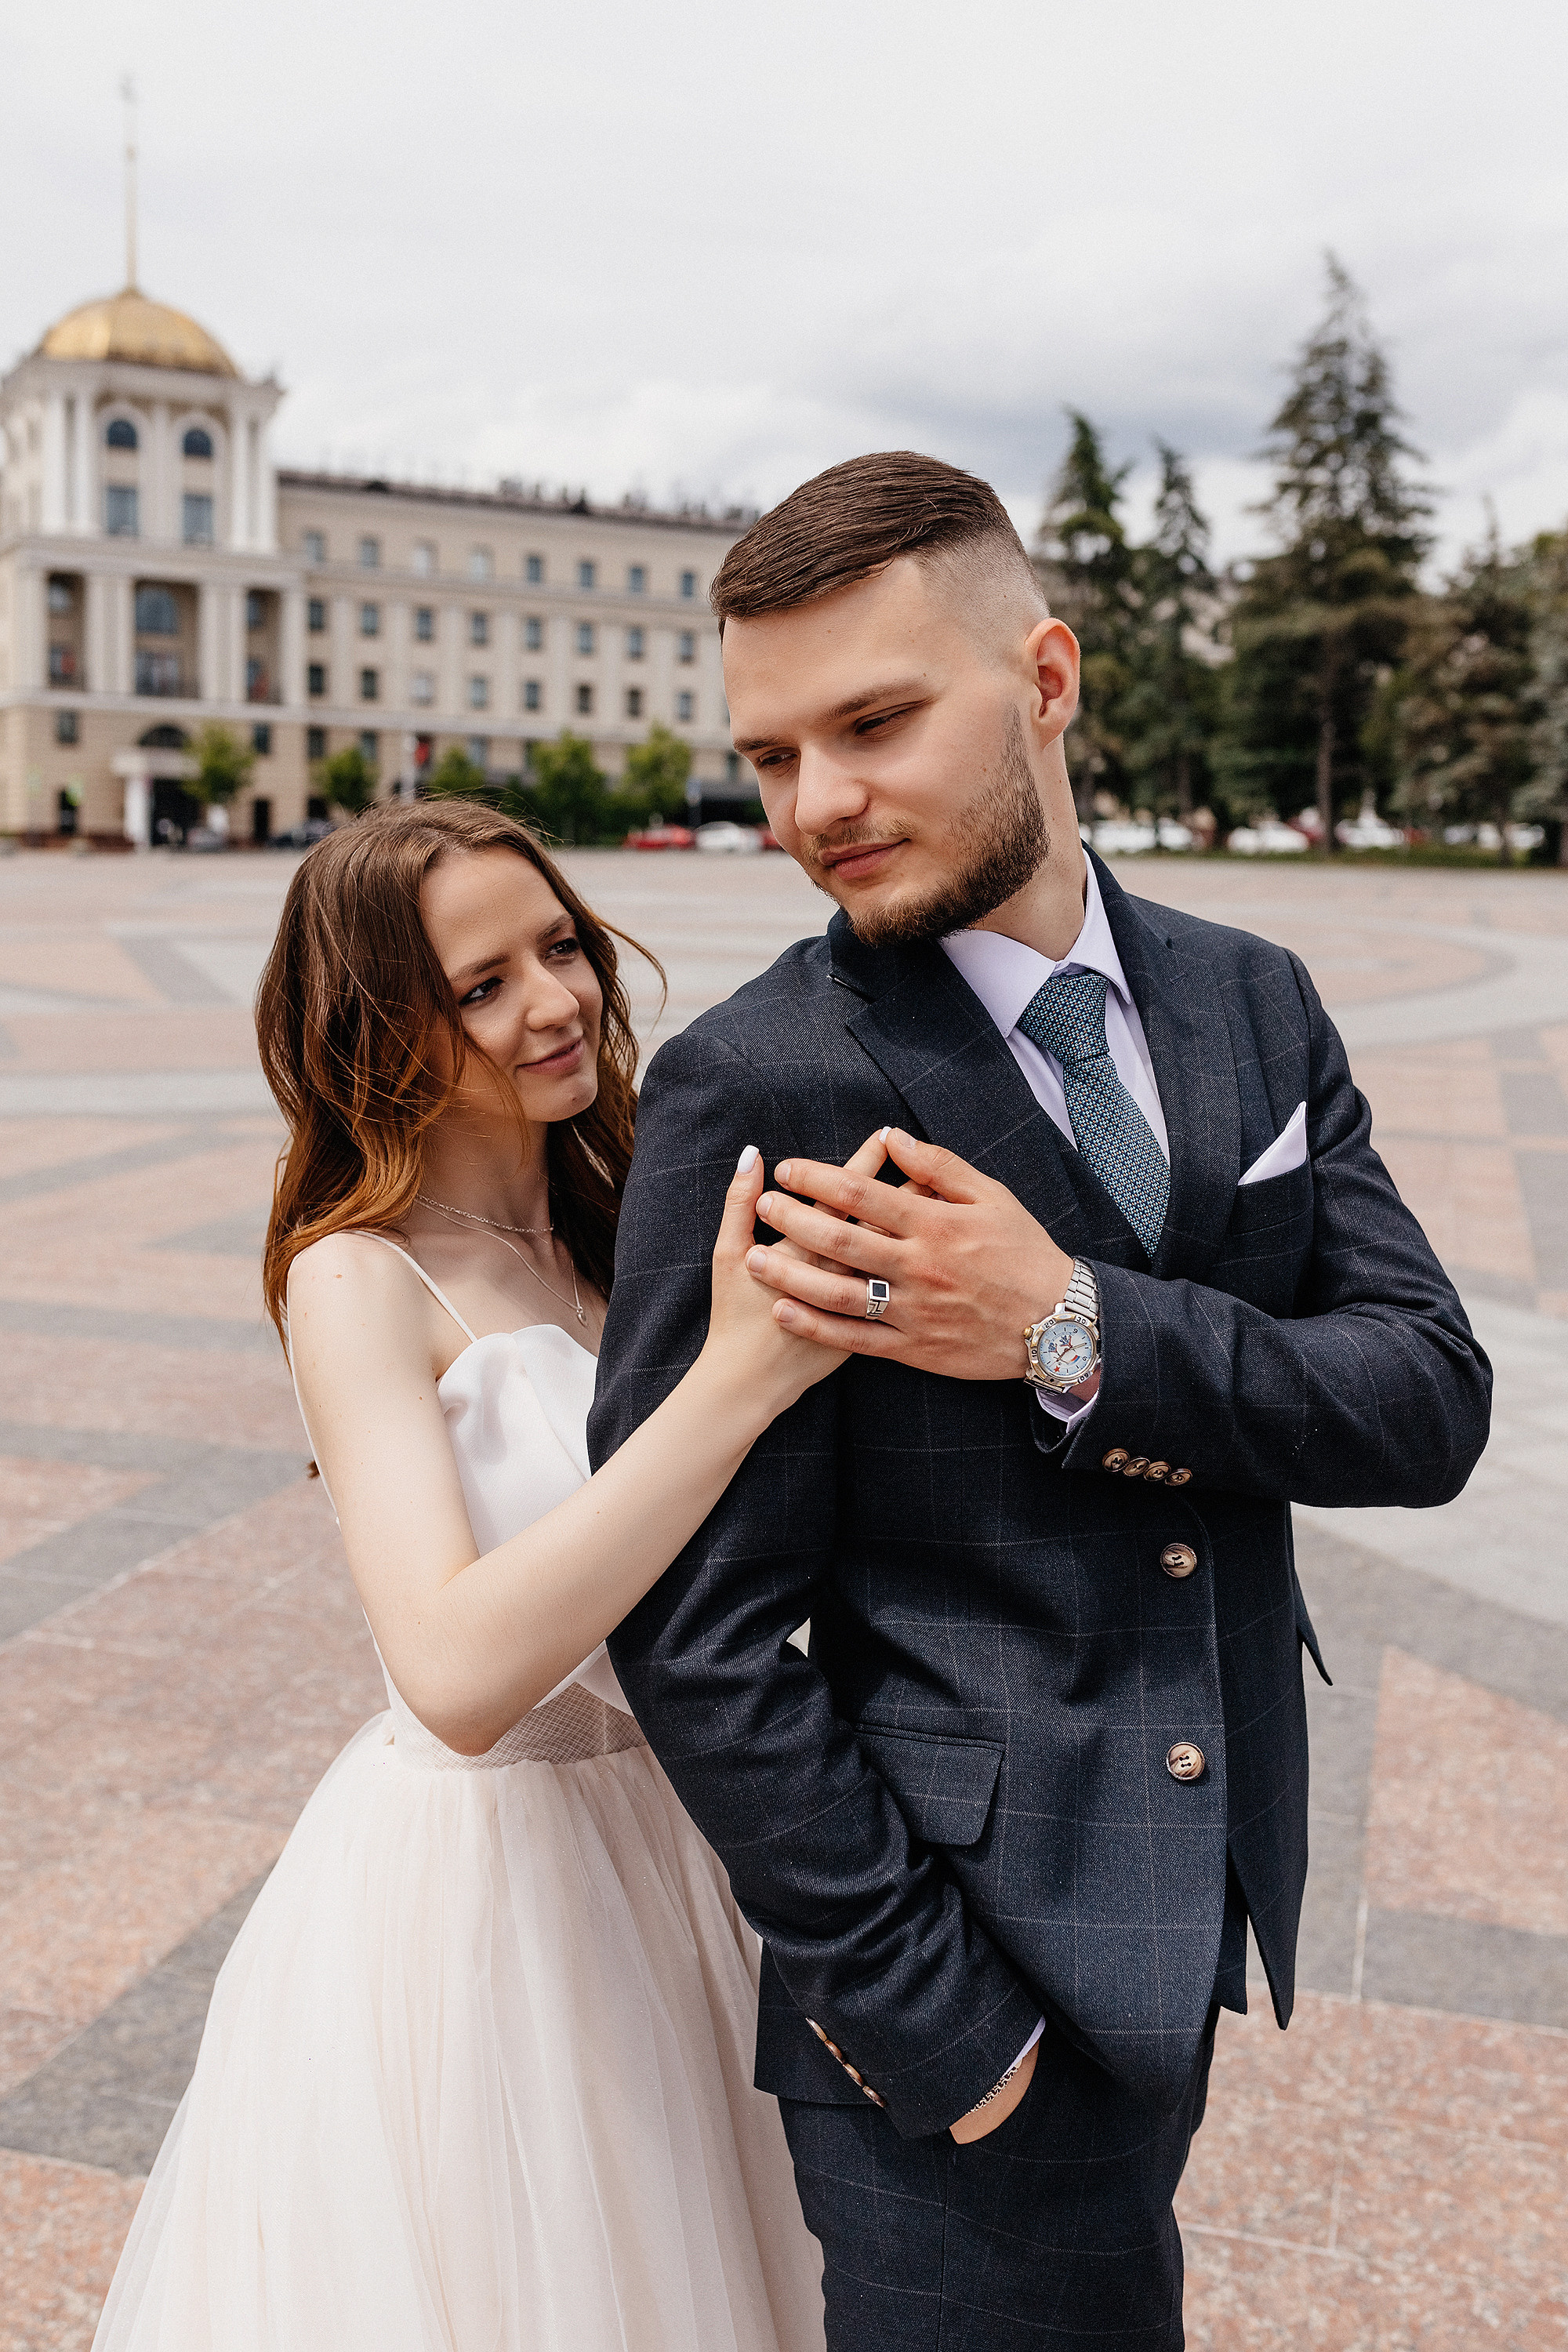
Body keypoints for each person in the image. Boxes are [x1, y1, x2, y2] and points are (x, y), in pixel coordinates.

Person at [588, 452, 1494, 2350]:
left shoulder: (1254, 1000)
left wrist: (1068, 1327)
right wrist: (929, 2019)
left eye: (874, 723)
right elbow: (690, 1616)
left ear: (1050, 680)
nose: (815, 805)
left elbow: (1424, 1400)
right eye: (770, 757)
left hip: (1196, 1904)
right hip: (956, 1989)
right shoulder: (758, 1083)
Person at [93, 797, 851, 2352]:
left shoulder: (628, 1226)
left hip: (686, 1837)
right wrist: (735, 1382)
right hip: (486, 1881)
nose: (557, 1000)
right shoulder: (359, 1276)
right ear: (379, 1025)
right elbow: (446, 1674)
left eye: (559, 945)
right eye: (481, 984)